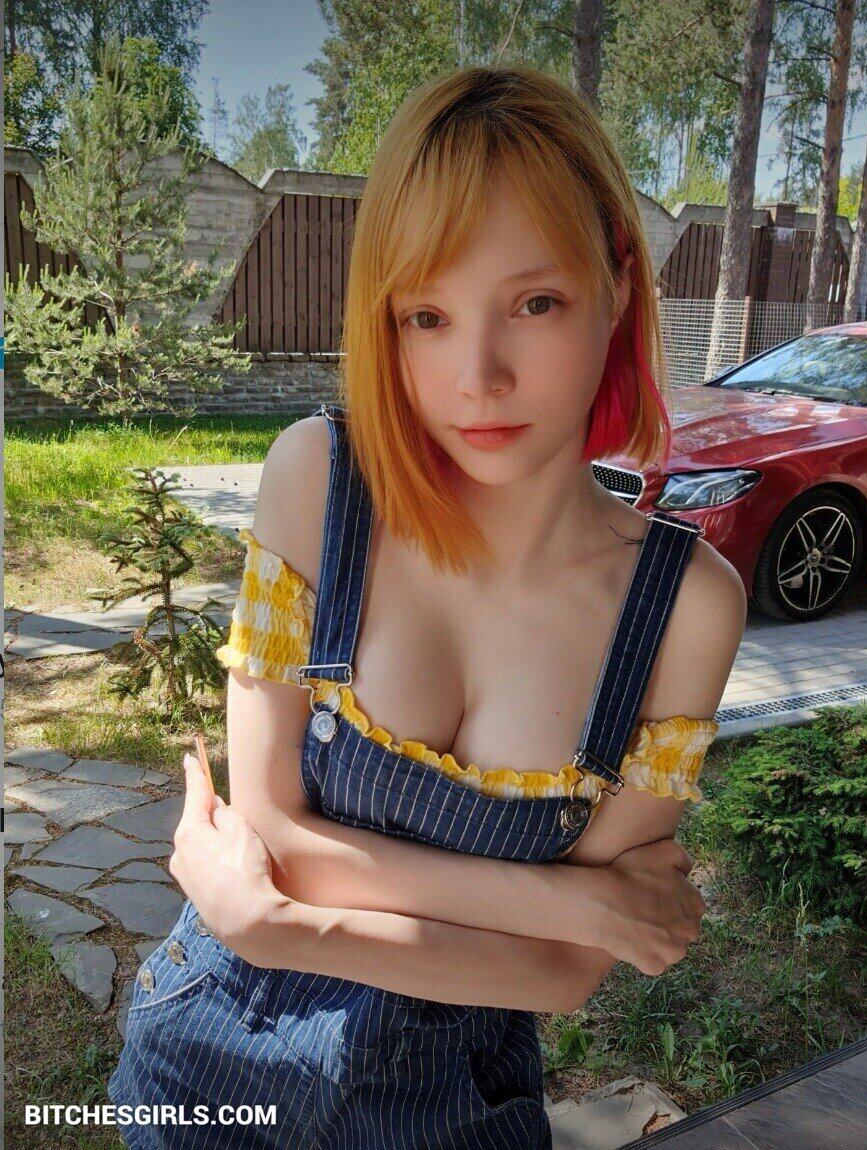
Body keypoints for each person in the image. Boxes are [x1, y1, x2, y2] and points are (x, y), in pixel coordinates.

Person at [108, 63, 746, 1149]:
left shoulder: (685, 607)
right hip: (209, 1060)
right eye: (427, 316)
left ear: (617, 288)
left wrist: (279, 922)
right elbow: (270, 826)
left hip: (459, 1106)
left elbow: (563, 975)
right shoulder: (320, 483)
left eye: (535, 303)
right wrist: (574, 899)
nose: (477, 375)